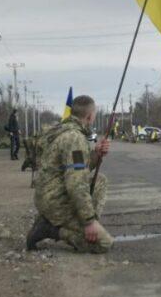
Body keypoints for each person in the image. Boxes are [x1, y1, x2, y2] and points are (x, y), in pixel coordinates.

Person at [26, 95, 113, 253]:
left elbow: (77, 168)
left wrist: (96, 154)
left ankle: (80, 226)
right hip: (56, 201)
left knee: (100, 180)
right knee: (103, 244)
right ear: (90, 116)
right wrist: (88, 222)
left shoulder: (63, 130)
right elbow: (76, 183)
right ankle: (51, 229)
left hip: (49, 194)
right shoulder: (75, 139)